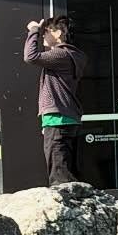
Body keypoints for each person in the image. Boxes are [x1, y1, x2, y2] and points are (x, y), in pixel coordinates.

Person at [24, 16, 86, 185]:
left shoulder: (60, 54)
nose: (43, 35)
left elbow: (31, 56)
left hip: (57, 118)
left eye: (46, 31)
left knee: (59, 176)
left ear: (58, 33)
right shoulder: (75, 55)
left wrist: (33, 30)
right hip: (68, 117)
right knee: (68, 171)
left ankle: (63, 208)